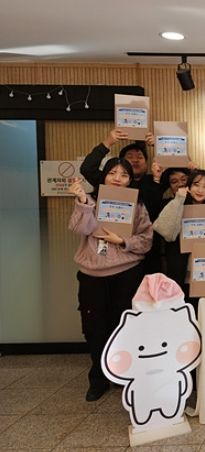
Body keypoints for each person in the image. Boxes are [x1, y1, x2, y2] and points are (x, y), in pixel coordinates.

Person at [68, 158, 153, 402]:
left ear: (130, 180)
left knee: (124, 326)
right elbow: (79, 228)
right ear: (104, 176)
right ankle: (98, 379)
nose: (117, 178)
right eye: (112, 173)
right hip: (92, 276)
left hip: (127, 273)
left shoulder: (138, 206)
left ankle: (123, 375)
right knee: (94, 328)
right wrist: (83, 201)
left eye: (124, 175)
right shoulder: (90, 202)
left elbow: (146, 240)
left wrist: (123, 241)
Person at [80, 128, 163, 273]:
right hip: (107, 250)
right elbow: (87, 168)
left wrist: (159, 146)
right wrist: (108, 142)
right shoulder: (110, 183)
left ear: (146, 162)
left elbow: (183, 174)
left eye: (140, 157)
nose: (135, 160)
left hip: (146, 247)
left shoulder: (155, 178)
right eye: (129, 157)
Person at [153, 169, 205, 303]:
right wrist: (179, 200)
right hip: (179, 272)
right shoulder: (176, 204)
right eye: (196, 185)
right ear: (189, 186)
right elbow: (165, 232)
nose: (200, 190)